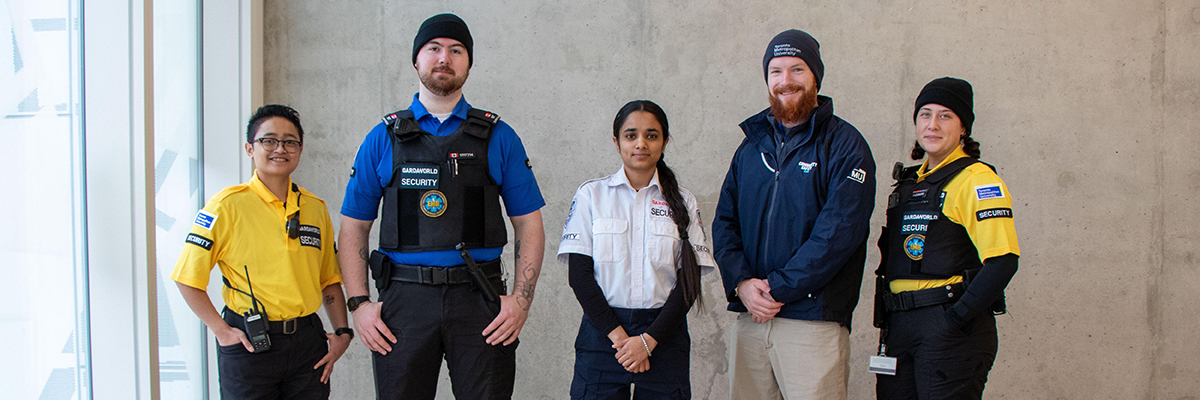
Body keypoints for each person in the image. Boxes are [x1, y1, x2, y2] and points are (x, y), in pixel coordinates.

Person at [337, 13, 546, 400]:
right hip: (404, 302)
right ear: (416, 60)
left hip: (480, 300)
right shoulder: (383, 138)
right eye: (433, 49)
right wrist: (360, 304)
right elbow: (353, 227)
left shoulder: (498, 136)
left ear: (469, 62)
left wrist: (520, 301)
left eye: (456, 50)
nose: (444, 58)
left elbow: (529, 224)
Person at [712, 29, 877, 400]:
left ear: (816, 76)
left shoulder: (846, 145)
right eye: (776, 71)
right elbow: (725, 222)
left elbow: (839, 233)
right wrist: (742, 284)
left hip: (811, 321)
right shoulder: (751, 146)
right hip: (751, 318)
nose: (786, 81)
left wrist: (776, 289)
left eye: (797, 69)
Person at [171, 104, 351, 399]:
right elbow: (187, 278)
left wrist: (343, 333)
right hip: (249, 343)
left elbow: (329, 279)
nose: (280, 148)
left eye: (290, 142)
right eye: (269, 140)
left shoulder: (315, 208)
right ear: (250, 149)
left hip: (308, 344)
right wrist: (222, 331)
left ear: (300, 149)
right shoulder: (226, 206)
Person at [558, 100, 716, 399]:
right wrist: (621, 339)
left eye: (652, 135)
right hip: (603, 335)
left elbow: (688, 283)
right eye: (631, 135)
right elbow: (579, 277)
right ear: (616, 141)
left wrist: (648, 341)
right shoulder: (592, 195)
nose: (641, 143)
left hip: (664, 334)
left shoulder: (684, 202)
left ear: (665, 142)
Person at [873, 77, 1020, 399]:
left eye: (945, 116)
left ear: (963, 127)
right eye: (925, 114)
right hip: (900, 327)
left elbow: (1003, 261)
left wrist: (954, 320)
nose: (933, 125)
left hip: (949, 327)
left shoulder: (977, 180)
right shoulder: (910, 184)